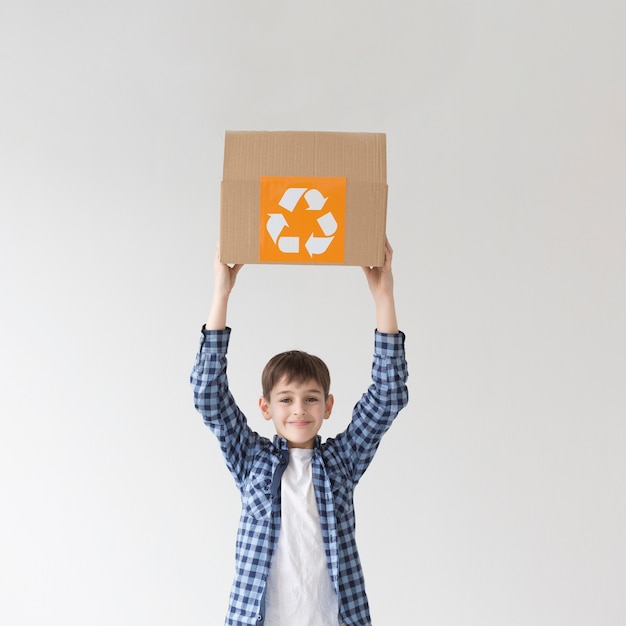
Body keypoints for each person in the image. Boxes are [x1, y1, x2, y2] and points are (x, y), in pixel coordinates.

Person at [190, 239, 409, 626]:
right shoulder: (251, 460)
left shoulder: (341, 462)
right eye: (286, 399)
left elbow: (388, 395)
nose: (298, 410)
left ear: (327, 406)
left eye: (310, 399)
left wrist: (383, 297)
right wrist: (221, 293)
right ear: (266, 408)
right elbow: (208, 394)